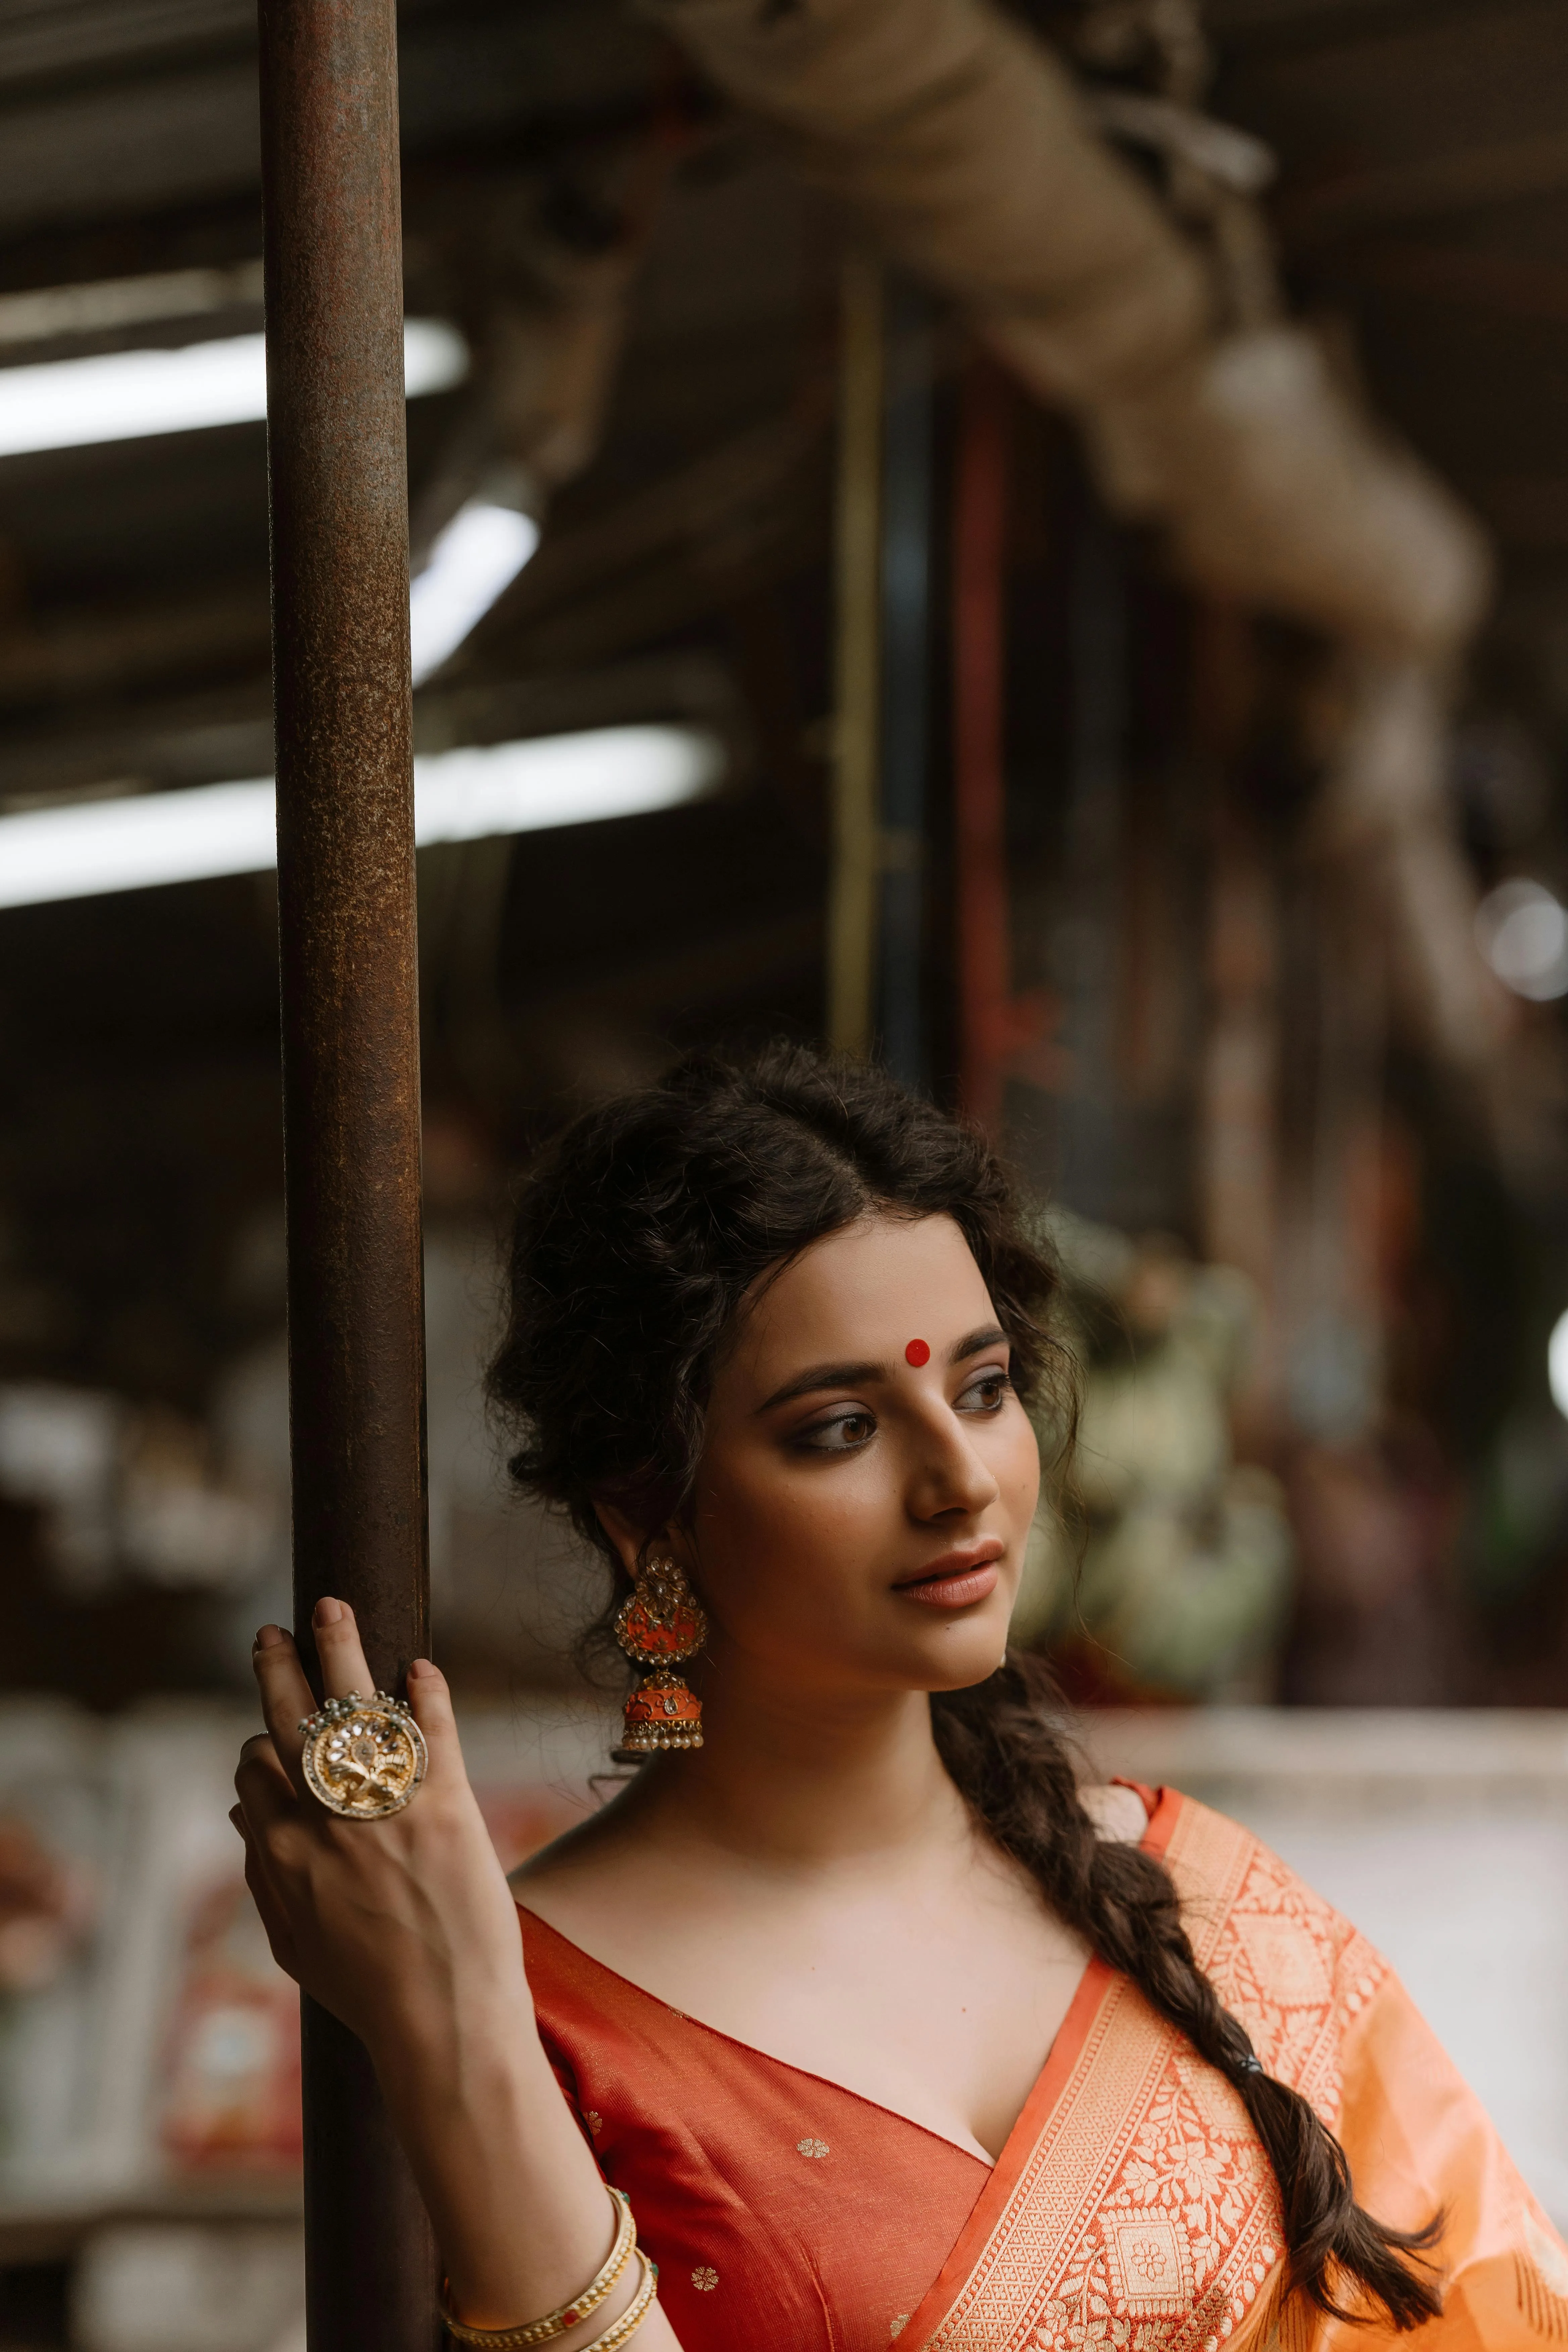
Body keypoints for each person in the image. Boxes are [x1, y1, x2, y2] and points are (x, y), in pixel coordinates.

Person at [232, 1047, 1567, 2352]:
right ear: (650, 1517)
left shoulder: (1210, 1906)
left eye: (982, 1391)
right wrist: (458, 2036)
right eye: (841, 1428)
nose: (960, 1480)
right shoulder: (512, 2009)